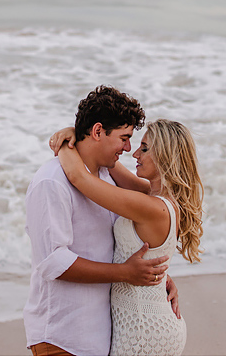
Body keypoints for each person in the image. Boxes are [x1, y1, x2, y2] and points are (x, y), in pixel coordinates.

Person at [23, 86, 179, 356]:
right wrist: (126, 274)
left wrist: (158, 276)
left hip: (101, 337)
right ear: (98, 132)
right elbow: (52, 262)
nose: (129, 148)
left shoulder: (107, 179)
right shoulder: (52, 182)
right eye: (124, 137)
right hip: (62, 336)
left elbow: (127, 239)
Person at [50, 118, 203, 356]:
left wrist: (64, 144)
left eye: (144, 148)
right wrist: (82, 136)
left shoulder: (153, 207)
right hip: (148, 318)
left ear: (165, 156)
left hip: (143, 327)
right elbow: (107, 162)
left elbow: (80, 178)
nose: (135, 155)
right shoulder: (152, 196)